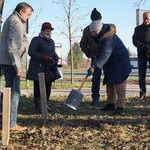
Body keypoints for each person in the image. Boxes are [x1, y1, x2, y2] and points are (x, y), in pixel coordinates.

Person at [0, 2, 34, 131]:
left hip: (10, 62)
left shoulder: (17, 21)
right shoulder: (15, 21)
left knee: (12, 92)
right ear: (21, 12)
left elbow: (22, 42)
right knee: (13, 93)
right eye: (28, 14)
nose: (29, 17)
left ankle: (9, 121)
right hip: (11, 63)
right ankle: (11, 123)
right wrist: (18, 67)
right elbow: (13, 46)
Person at [87, 20, 131, 115]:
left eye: (94, 32)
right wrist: (93, 65)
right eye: (91, 32)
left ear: (99, 30)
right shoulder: (100, 37)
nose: (92, 34)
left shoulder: (109, 37)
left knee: (119, 84)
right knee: (110, 82)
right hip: (111, 63)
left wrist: (95, 66)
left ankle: (120, 106)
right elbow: (99, 54)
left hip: (120, 62)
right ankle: (110, 104)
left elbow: (105, 54)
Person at [26, 22, 59, 114]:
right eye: (47, 31)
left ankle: (45, 104)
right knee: (38, 88)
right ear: (42, 31)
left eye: (50, 31)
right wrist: (43, 57)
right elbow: (31, 52)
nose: (48, 33)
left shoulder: (51, 42)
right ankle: (37, 106)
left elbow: (52, 52)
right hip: (37, 68)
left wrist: (55, 57)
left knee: (48, 88)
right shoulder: (36, 40)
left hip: (49, 69)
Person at [80, 8, 102, 105]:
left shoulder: (105, 28)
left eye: (98, 20)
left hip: (107, 56)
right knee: (95, 78)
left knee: (110, 77)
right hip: (95, 57)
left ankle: (112, 98)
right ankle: (95, 97)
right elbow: (83, 44)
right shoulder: (87, 31)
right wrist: (88, 53)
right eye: (94, 20)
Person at [132, 11, 150, 100]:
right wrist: (144, 47)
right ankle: (142, 94)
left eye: (148, 19)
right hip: (142, 54)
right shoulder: (138, 29)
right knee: (141, 76)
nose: (146, 20)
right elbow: (135, 41)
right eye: (144, 19)